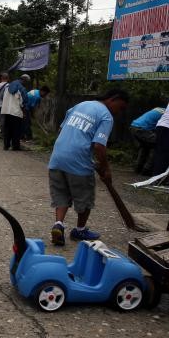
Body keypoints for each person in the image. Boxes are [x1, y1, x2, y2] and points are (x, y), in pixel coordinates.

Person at [48, 89, 130, 246]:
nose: (120, 112)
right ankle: (80, 229)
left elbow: (61, 129)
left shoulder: (81, 104)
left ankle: (58, 224)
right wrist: (106, 169)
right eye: (121, 107)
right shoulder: (106, 116)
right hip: (78, 161)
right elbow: (99, 146)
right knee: (85, 198)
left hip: (57, 157)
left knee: (61, 194)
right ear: (114, 99)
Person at [130, 106, 164, 175]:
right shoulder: (166, 114)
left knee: (145, 147)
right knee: (157, 145)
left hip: (133, 126)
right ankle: (147, 170)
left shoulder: (158, 109)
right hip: (142, 129)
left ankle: (138, 168)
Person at [0, 74, 30, 151]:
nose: (26, 83)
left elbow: (2, 97)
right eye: (27, 82)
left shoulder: (7, 86)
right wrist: (25, 112)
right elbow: (24, 102)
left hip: (6, 111)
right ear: (24, 80)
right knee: (16, 130)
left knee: (7, 129)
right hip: (16, 112)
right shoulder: (21, 88)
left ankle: (6, 146)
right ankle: (15, 146)